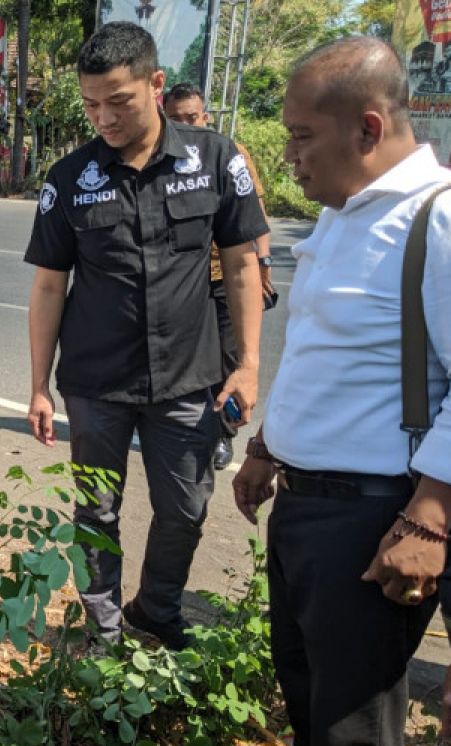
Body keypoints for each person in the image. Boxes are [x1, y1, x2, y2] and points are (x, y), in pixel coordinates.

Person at [231, 37, 451, 746]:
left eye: (302, 137)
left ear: (369, 130)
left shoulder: (447, 218)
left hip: (377, 522)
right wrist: (268, 448)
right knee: (313, 716)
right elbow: (329, 356)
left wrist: (429, 520)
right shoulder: (347, 215)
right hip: (310, 511)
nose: (289, 157)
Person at [25, 22, 267, 652]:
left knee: (186, 510)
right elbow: (50, 287)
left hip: (188, 378)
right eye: (90, 104)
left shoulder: (214, 160)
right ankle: (102, 628)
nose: (103, 117)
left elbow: (243, 265)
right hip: (96, 384)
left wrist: (247, 365)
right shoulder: (68, 178)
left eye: (119, 101)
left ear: (156, 85)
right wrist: (37, 387)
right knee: (96, 514)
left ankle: (156, 609)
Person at [163, 82, 274, 470]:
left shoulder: (229, 155)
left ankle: (224, 436)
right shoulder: (161, 156)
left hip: (227, 279)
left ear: (205, 116)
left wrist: (263, 266)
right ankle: (192, 430)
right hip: (186, 282)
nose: (183, 124)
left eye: (191, 117)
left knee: (231, 360)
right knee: (191, 362)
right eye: (174, 118)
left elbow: (254, 219)